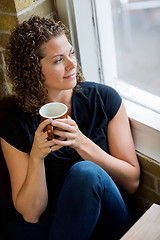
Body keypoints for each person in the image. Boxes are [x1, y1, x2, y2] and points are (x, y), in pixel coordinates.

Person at [0, 15, 140, 240]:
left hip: (109, 217)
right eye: (58, 60)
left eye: (71, 53)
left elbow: (132, 182)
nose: (72, 64)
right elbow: (31, 214)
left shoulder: (104, 99)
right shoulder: (15, 125)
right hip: (59, 224)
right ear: (33, 70)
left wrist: (81, 143)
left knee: (85, 173)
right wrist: (36, 158)